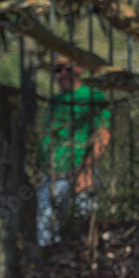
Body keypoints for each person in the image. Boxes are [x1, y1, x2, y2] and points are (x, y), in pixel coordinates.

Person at [36, 55, 112, 246]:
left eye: (67, 68)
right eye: (56, 70)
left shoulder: (93, 97)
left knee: (82, 230)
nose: (62, 74)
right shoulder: (55, 101)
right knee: (46, 234)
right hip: (52, 177)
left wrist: (87, 171)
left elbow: (103, 134)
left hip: (79, 174)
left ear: (79, 68)